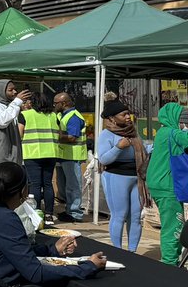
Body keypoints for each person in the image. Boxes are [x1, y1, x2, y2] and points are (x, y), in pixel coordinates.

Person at [97, 97, 149, 251]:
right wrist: (118, 147)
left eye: (128, 114)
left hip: (136, 177)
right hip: (116, 177)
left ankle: (132, 251)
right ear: (112, 118)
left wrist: (152, 148)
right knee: (119, 215)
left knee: (135, 217)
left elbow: (142, 149)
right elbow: (103, 159)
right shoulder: (106, 134)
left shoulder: (133, 132)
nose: (128, 117)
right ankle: (117, 251)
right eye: (123, 114)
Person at [147, 101, 188, 264]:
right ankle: (169, 263)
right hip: (167, 187)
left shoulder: (162, 132)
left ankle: (171, 260)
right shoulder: (173, 133)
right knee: (173, 227)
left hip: (160, 185)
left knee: (172, 224)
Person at [21, 98, 61, 222]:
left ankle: (36, 213)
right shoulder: (54, 116)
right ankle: (49, 214)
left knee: (35, 184)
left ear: (32, 103)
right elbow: (59, 134)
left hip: (32, 153)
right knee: (48, 184)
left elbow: (19, 133)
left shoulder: (25, 115)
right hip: (51, 153)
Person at [53, 92, 87, 223]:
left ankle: (75, 213)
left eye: (56, 103)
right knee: (64, 186)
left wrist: (56, 136)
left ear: (64, 103)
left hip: (72, 156)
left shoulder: (73, 117)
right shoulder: (62, 115)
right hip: (64, 155)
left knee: (73, 186)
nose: (54, 105)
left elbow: (72, 137)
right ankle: (69, 210)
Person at [0, 79, 30, 168]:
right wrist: (17, 102)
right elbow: (1, 122)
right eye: (10, 90)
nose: (15, 92)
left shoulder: (9, 106)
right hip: (2, 158)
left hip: (12, 157)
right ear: (1, 92)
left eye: (15, 89)